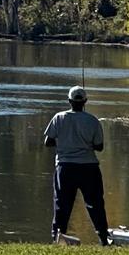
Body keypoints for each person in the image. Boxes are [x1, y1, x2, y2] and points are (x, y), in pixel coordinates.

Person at [43, 84, 111, 245]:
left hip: (65, 167)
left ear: (69, 101)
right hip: (89, 168)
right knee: (95, 204)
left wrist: (65, 142)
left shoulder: (59, 118)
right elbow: (99, 146)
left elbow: (48, 142)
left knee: (62, 203)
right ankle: (103, 238)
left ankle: (57, 237)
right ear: (85, 101)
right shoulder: (93, 121)